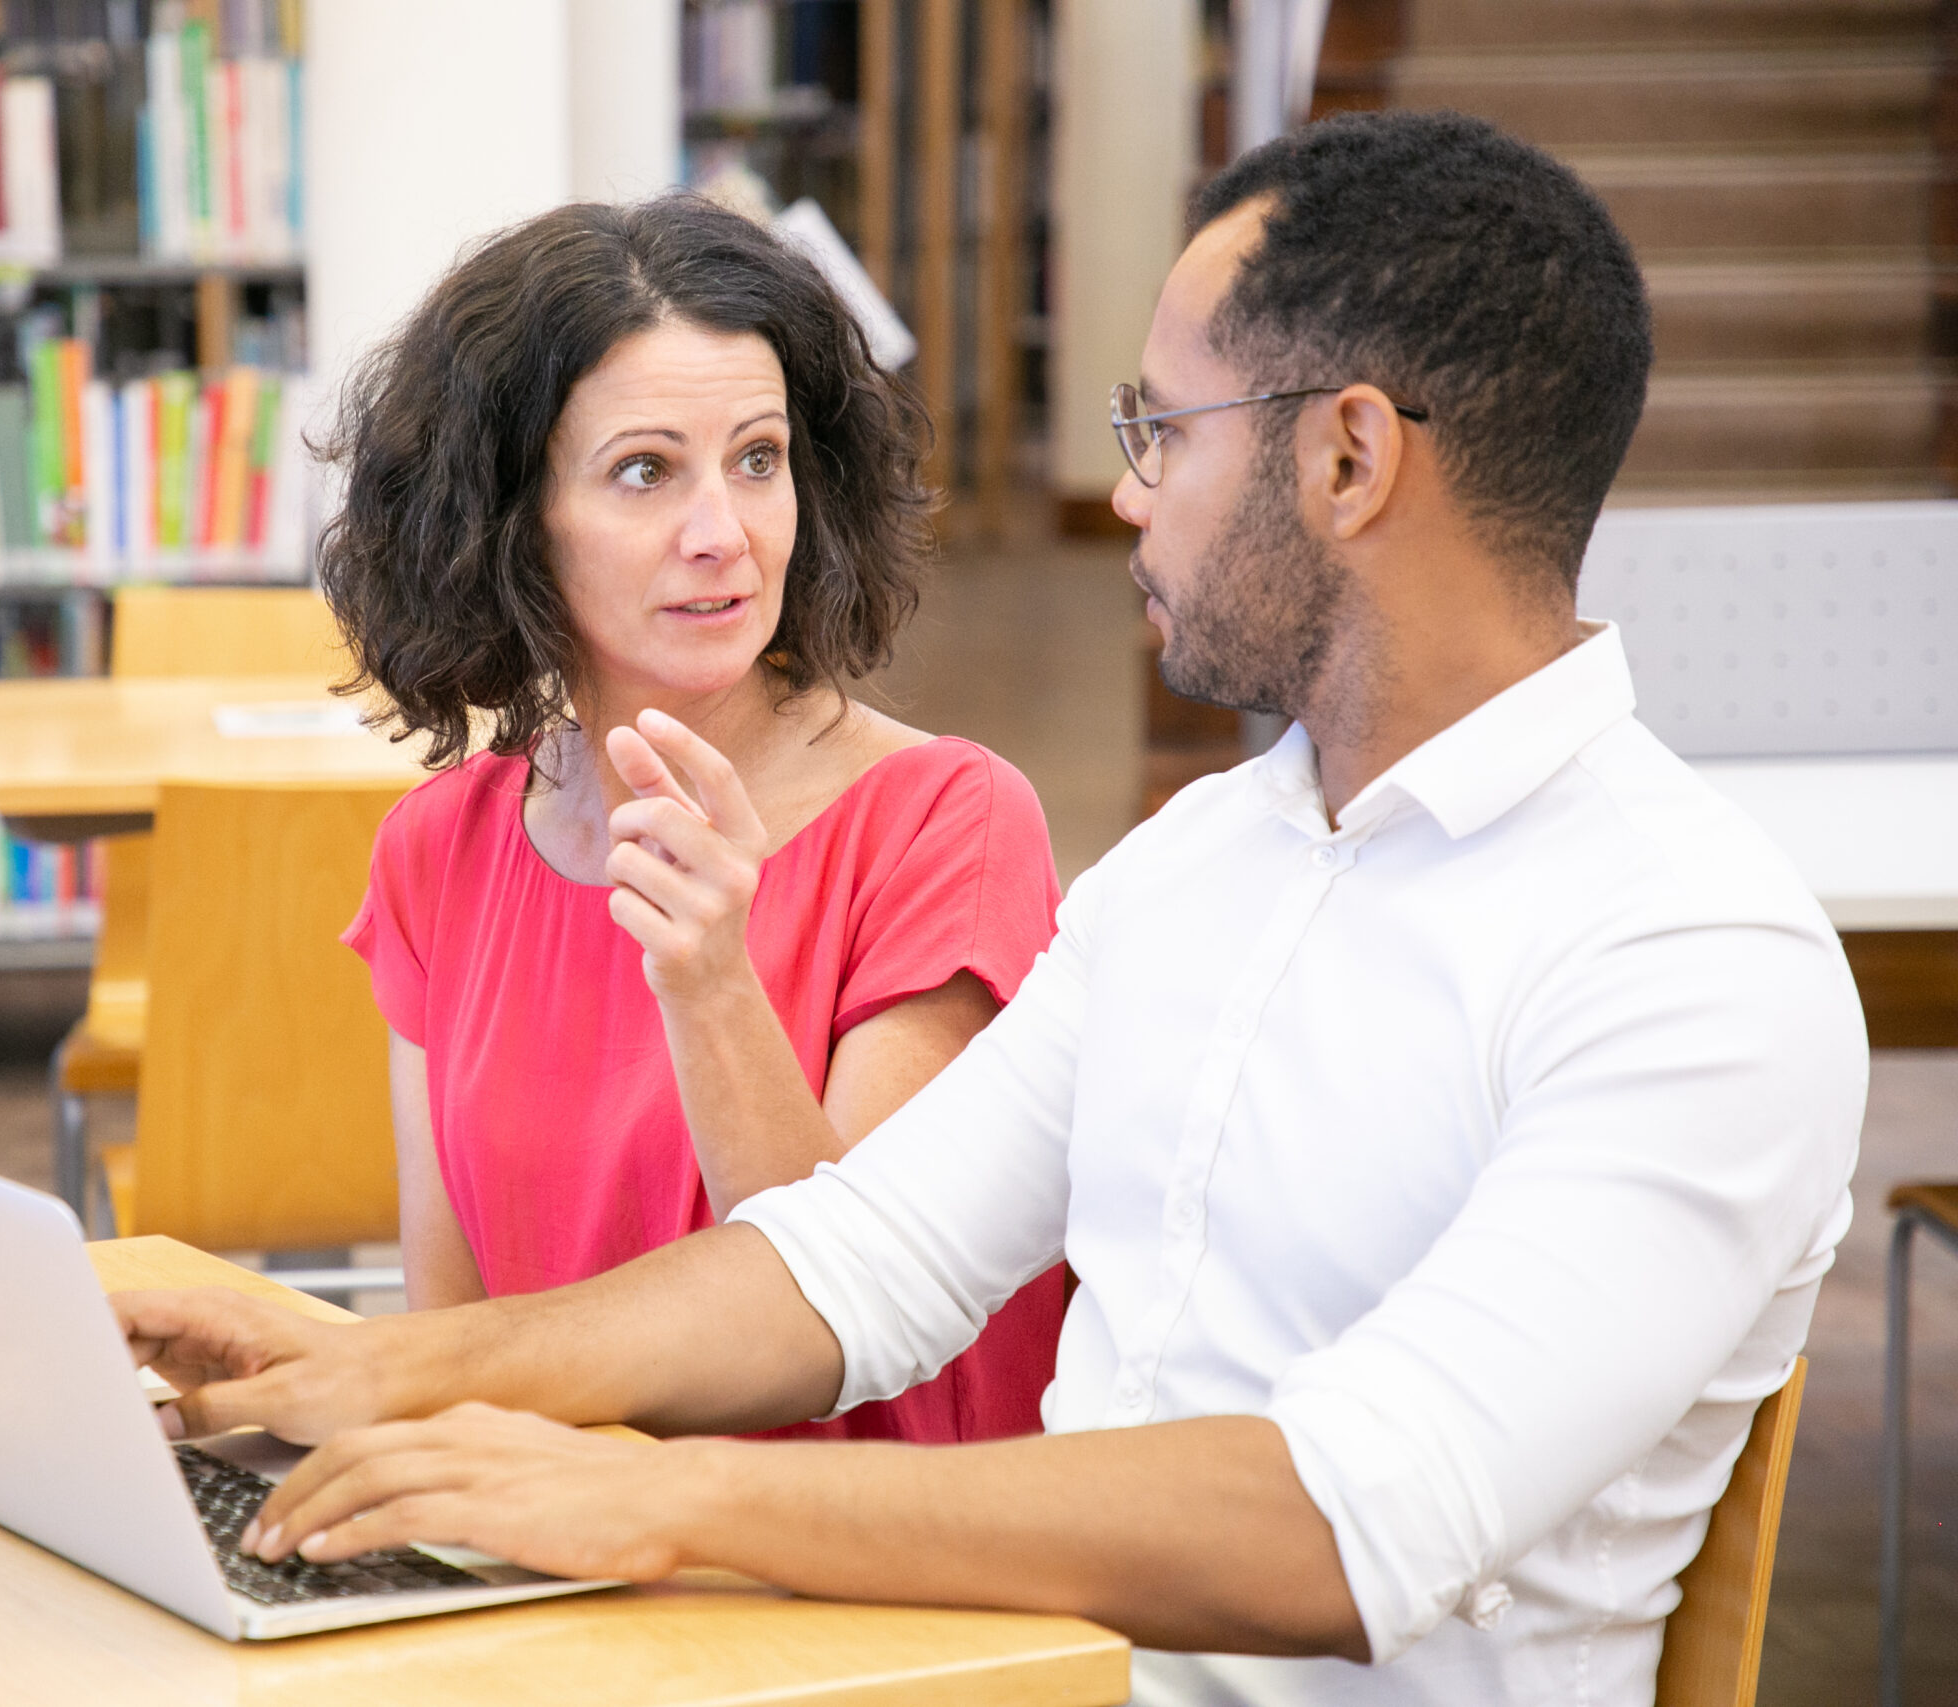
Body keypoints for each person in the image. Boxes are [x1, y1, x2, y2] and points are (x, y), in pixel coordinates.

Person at [116, 111, 1869, 1705]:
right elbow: (857, 1254)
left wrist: (659, 1490)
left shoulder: (1694, 963)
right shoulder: (1201, 861)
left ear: (1346, 462)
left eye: (1159, 430)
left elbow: (1349, 1523)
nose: (1123, 493)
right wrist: (383, 1378)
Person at [314, 193, 1067, 1443]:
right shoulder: (442, 846)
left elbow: (845, 1326)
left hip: (840, 1573)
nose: (723, 535)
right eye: (645, 472)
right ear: (508, 525)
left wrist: (716, 982)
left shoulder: (948, 823)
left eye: (759, 461)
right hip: (559, 1548)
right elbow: (444, 1333)